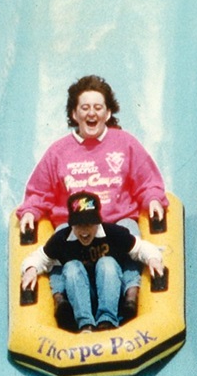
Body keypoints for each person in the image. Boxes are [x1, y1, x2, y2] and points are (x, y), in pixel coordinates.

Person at [16, 74, 168, 328]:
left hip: (114, 222)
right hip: (75, 225)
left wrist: (152, 198)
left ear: (108, 113)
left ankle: (130, 294)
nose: (91, 113)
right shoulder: (58, 152)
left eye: (98, 107)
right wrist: (31, 210)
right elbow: (39, 191)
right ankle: (61, 299)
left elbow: (147, 180)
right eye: (85, 108)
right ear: (74, 114)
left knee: (129, 230)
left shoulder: (125, 143)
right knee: (60, 239)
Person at [20, 192, 166, 333]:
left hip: (110, 290)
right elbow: (40, 257)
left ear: (98, 222)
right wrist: (31, 269)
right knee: (71, 267)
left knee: (106, 263)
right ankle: (85, 324)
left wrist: (153, 259)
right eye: (78, 225)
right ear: (71, 224)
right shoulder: (62, 239)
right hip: (83, 294)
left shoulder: (113, 234)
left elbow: (140, 248)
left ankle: (107, 321)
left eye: (89, 224)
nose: (84, 231)